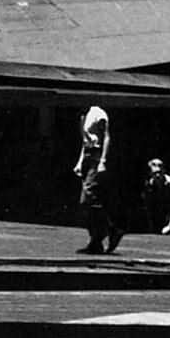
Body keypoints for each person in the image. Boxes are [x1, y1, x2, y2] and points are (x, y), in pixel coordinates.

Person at [74, 104, 121, 255]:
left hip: (96, 156)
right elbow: (84, 142)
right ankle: (96, 241)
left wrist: (103, 161)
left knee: (88, 196)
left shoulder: (98, 113)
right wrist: (80, 162)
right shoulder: (84, 116)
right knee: (87, 201)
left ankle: (110, 229)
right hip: (88, 156)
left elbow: (106, 136)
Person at [142, 157, 170, 235]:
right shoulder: (148, 184)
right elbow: (147, 206)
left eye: (160, 172)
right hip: (157, 213)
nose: (158, 176)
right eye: (155, 173)